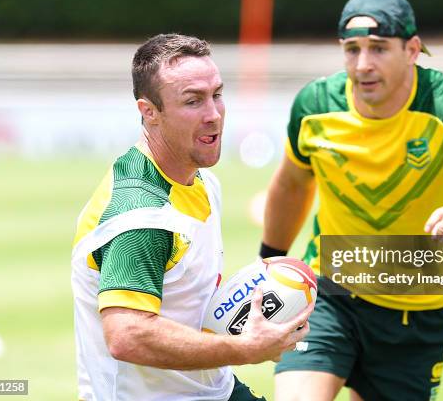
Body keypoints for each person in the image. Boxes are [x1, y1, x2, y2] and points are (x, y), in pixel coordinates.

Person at [260, 0, 443, 400]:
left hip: (413, 313)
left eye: (378, 49)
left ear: (412, 50)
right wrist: (267, 261)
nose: (363, 64)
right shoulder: (315, 105)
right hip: (328, 295)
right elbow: (292, 184)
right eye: (352, 50)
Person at [71, 33, 312, 401]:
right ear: (148, 111)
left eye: (217, 94)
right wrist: (247, 348)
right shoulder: (142, 217)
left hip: (215, 388)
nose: (213, 114)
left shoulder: (200, 179)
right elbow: (127, 334)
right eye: (193, 101)